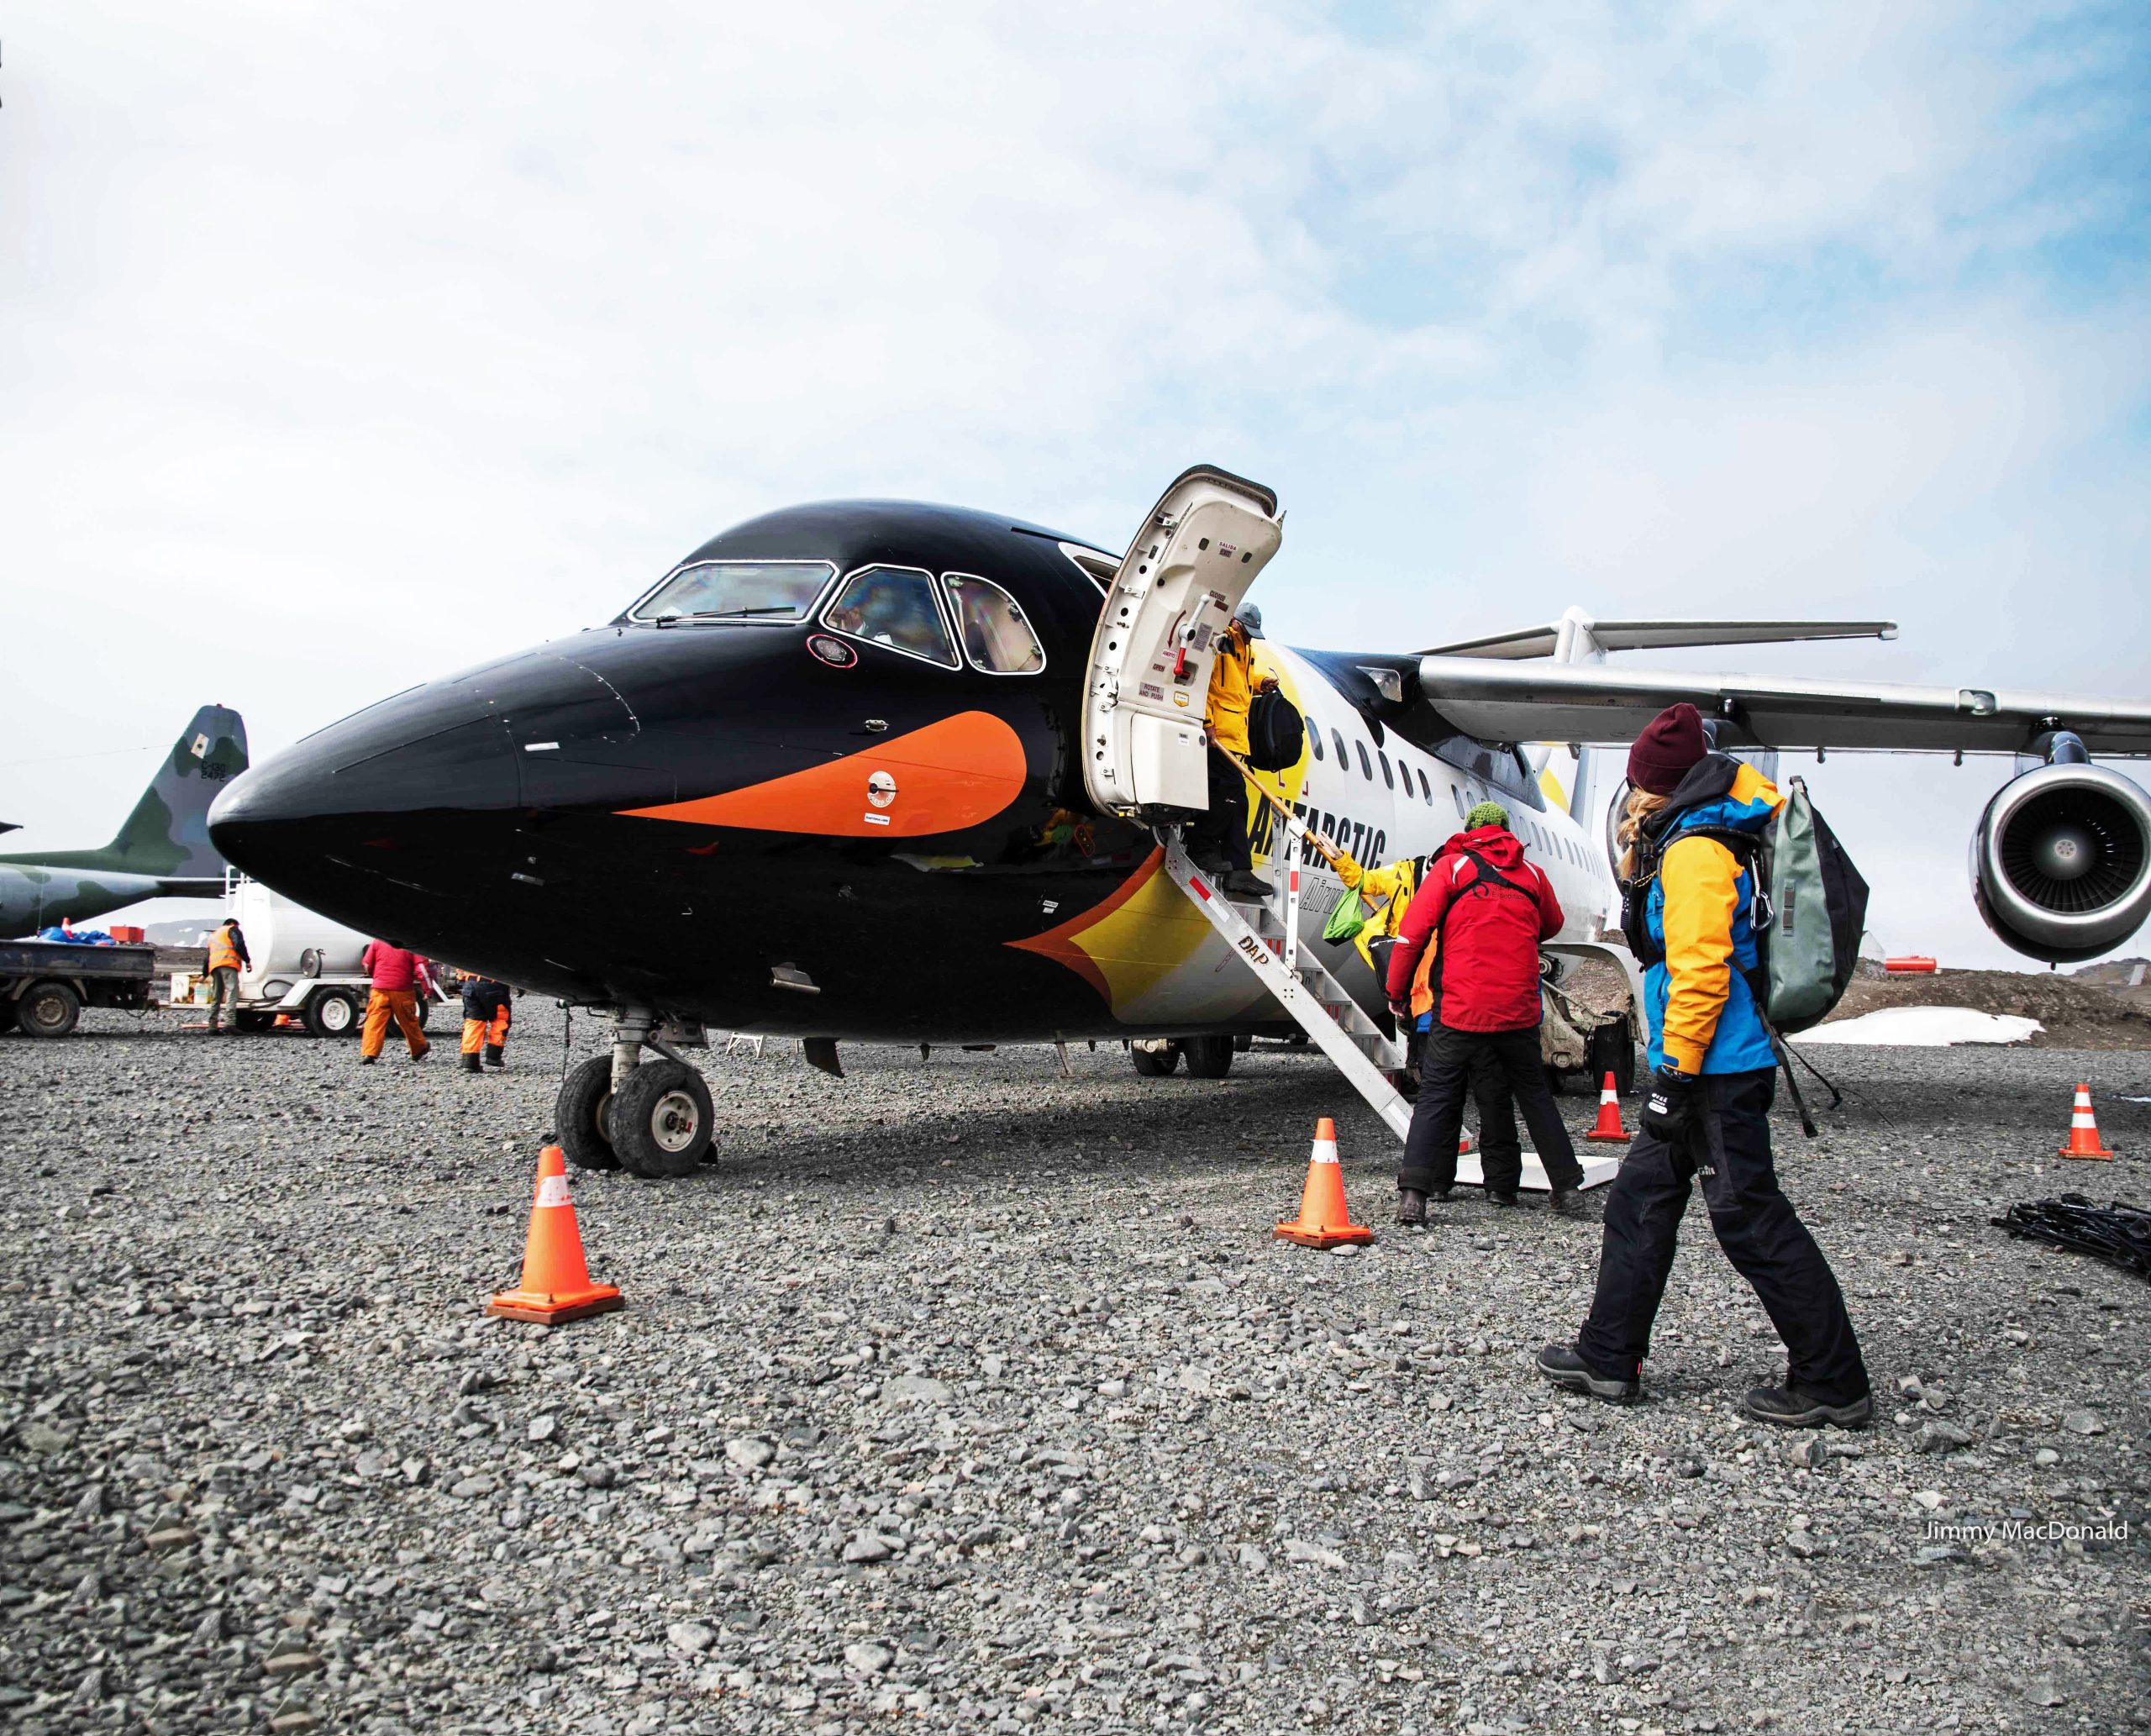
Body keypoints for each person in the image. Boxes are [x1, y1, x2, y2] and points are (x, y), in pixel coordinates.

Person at [1539, 705, 1872, 1427]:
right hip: (1707, 1061)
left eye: (1636, 784)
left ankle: (1833, 1380)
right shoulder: (1700, 834)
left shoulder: (1694, 852)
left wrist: (1676, 1079)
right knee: (1640, 1201)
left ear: (1656, 785)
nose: (1629, 798)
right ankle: (1608, 1355)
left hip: (1715, 1070)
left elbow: (1699, 973)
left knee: (1749, 1217)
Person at [1383, 800, 1586, 1220]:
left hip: (1461, 1008)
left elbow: (1411, 937)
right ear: (1507, 831)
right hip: (1518, 1011)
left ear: (1472, 829)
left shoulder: (1453, 867)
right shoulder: (1531, 874)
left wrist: (1397, 993)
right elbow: (1552, 923)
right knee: (1534, 1096)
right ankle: (1567, 1188)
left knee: (1437, 1097)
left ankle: (1414, 1196)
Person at [1199, 608, 1274, 897]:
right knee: (1228, 793)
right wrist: (1206, 722)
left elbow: (1237, 687)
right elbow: (1202, 683)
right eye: (1245, 630)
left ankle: (1240, 871)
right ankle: (1202, 848)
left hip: (1234, 738)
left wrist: (1259, 684)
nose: (1247, 637)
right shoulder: (1221, 642)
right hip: (1217, 735)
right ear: (1235, 622)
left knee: (1238, 801)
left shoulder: (1247, 650)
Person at [358, 938, 433, 1065]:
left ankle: (369, 1054)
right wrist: (428, 989)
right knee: (408, 1021)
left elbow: (366, 964)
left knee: (374, 1020)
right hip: (402, 989)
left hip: (380, 988)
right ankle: (418, 1049)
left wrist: (376, 976)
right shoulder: (410, 940)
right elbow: (422, 968)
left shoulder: (378, 940)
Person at [457, 971, 513, 1074]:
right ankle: (493, 1056)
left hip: (470, 985)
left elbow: (458, 965)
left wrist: (462, 981)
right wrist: (519, 984)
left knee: (473, 1022)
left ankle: (470, 1062)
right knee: (500, 1020)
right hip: (494, 985)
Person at [204, 916, 251, 1036]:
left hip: (215, 966)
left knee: (217, 995)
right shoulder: (232, 929)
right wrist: (247, 960)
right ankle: (230, 1024)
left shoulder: (214, 935)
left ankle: (212, 1026)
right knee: (232, 993)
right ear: (232, 924)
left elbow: (207, 956)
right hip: (228, 965)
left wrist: (204, 973)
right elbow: (239, 944)